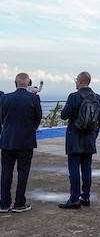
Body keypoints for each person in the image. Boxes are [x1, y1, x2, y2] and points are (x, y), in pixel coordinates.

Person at [58, 71, 100, 209]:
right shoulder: (98, 98)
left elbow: (64, 116)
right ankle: (86, 196)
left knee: (74, 169)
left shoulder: (74, 97)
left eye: (76, 80)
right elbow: (99, 121)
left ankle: (74, 198)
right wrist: (93, 136)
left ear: (80, 81)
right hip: (89, 138)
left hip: (74, 138)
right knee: (86, 169)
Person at [0, 73, 42, 213]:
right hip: (26, 141)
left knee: (6, 172)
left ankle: (4, 203)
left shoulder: (5, 98)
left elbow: (1, 119)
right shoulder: (34, 98)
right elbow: (37, 119)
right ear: (29, 83)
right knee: (23, 172)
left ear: (15, 83)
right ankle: (19, 203)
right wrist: (30, 129)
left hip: (7, 140)